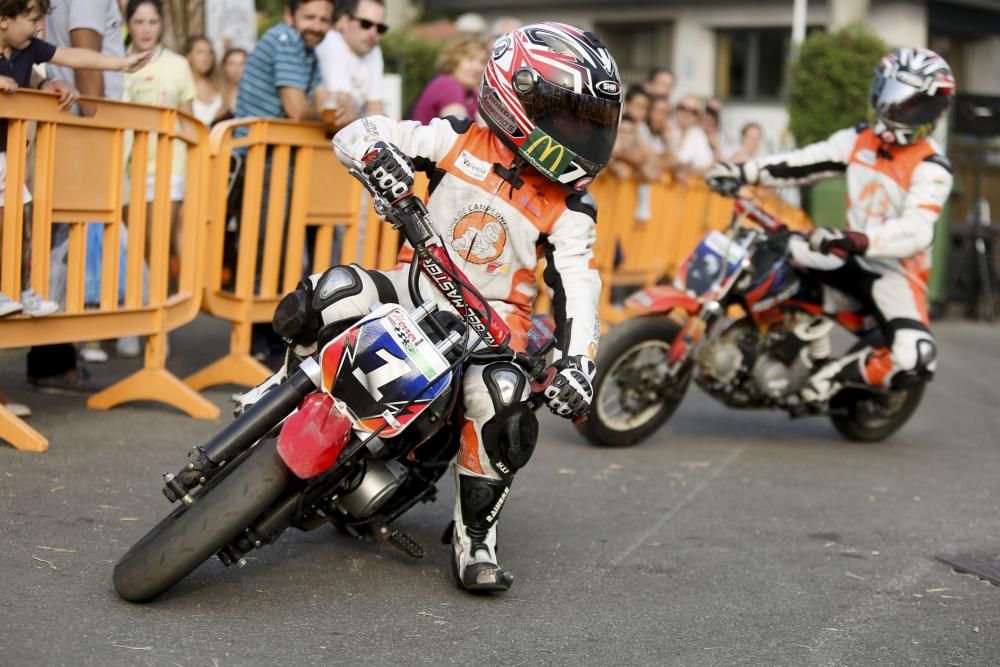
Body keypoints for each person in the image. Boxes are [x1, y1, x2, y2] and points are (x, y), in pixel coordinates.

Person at [273, 22, 620, 592]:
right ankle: (275, 397)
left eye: (591, 123)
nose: (580, 135)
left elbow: (580, 286)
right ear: (516, 95)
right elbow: (358, 130)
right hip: (412, 289)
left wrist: (579, 364)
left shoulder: (573, 208)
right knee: (329, 290)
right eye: (568, 117)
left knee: (506, 404)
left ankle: (475, 538)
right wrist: (377, 157)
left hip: (493, 335)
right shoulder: (456, 139)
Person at [707, 47, 955, 407]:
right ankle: (762, 342)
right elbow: (802, 162)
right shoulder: (858, 139)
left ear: (933, 111)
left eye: (910, 104)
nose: (895, 109)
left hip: (894, 273)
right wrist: (743, 172)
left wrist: (859, 239)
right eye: (891, 97)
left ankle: (832, 377)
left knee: (916, 354)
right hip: (843, 251)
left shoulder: (932, 167)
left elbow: (916, 231)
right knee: (767, 247)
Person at [2, 0, 147, 388]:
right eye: (33, 19)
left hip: (12, 161)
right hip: (19, 153)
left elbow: (70, 55)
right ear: (4, 20)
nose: (39, 27)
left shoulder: (26, 48)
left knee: (26, 224)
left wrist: (50, 82)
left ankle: (18, 291)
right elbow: (81, 44)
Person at [315, 0, 385, 129]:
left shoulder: (374, 51)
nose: (373, 33)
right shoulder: (331, 41)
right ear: (344, 21)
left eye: (380, 28)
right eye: (366, 24)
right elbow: (343, 111)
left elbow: (376, 110)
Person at [408, 35, 486, 124]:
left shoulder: (471, 94)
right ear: (453, 60)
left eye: (482, 62)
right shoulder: (447, 85)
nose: (478, 67)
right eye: (470, 59)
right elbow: (460, 128)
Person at [672, 94, 714, 177]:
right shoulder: (664, 126)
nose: (686, 113)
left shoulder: (698, 134)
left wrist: (690, 171)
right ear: (676, 109)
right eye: (683, 108)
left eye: (693, 111)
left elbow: (708, 165)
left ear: (698, 116)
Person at [185, 34, 223, 126]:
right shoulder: (182, 85)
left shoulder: (221, 84)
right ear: (189, 56)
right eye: (200, 52)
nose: (206, 57)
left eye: (210, 52)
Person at [218, 46, 245, 120]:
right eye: (232, 64)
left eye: (242, 64)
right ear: (224, 67)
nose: (237, 68)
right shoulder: (215, 94)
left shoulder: (254, 95)